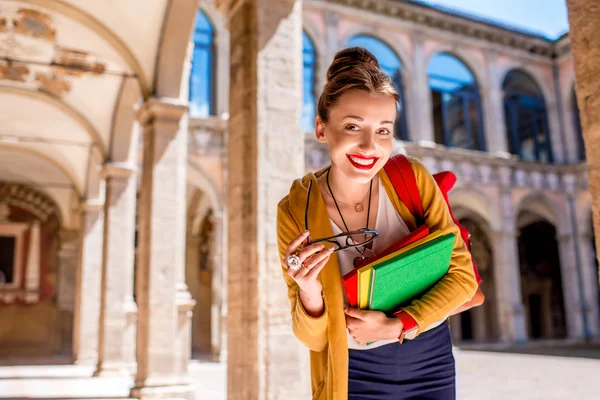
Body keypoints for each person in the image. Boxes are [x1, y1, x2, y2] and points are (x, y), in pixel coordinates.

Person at [276, 47, 479, 400]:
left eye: (383, 130)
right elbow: (312, 339)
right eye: (352, 126)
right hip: (354, 372)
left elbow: (462, 278)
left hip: (430, 358)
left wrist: (397, 324)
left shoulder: (411, 178)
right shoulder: (295, 210)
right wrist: (309, 292)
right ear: (322, 128)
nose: (370, 146)